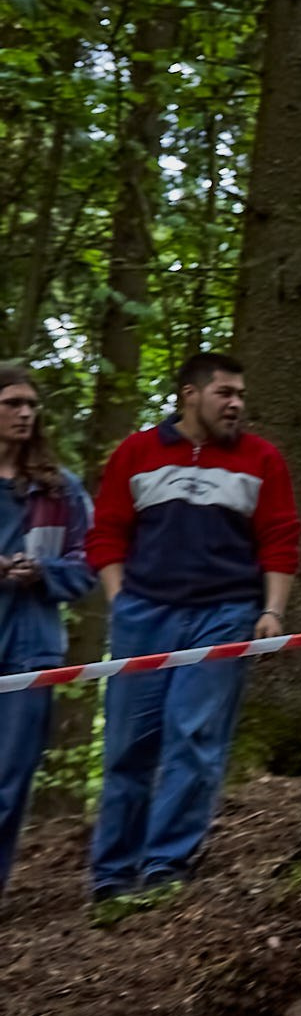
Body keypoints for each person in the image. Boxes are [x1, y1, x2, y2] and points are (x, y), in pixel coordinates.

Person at [84, 352, 299, 924]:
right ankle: (111, 877)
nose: (236, 404)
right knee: (129, 747)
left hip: (223, 615)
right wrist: (120, 598)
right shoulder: (136, 452)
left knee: (194, 739)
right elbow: (106, 530)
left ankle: (165, 869)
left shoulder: (261, 459)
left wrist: (272, 612)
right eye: (225, 392)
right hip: (144, 615)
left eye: (241, 395)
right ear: (190, 394)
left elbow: (280, 538)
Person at [0, 366, 95, 899]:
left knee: (9, 781)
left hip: (31, 645)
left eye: (31, 404)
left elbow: (90, 561)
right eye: (12, 403)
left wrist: (44, 573)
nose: (25, 413)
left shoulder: (60, 488)